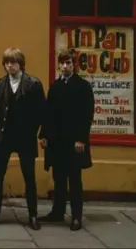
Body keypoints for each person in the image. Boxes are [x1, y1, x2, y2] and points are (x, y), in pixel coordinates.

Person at [0, 47, 46, 230]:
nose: (10, 65)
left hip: (25, 137)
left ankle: (33, 215)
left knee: (29, 177)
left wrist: (34, 131)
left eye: (13, 62)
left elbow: (41, 112)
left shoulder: (34, 84)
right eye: (7, 62)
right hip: (4, 136)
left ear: (21, 63)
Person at [38, 49, 95, 231]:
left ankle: (76, 217)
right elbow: (48, 113)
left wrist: (81, 139)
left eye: (68, 63)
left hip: (74, 142)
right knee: (59, 178)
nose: (64, 67)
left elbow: (87, 115)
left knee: (75, 180)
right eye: (62, 63)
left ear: (74, 65)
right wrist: (44, 135)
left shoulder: (83, 86)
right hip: (57, 141)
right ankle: (57, 212)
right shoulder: (55, 87)